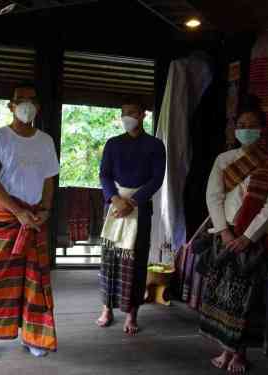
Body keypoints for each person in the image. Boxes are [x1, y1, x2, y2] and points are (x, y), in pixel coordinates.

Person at [200, 95, 268, 374]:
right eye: (241, 124)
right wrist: (225, 232)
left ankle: (239, 354)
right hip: (224, 237)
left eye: (251, 124)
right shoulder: (223, 159)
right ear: (234, 129)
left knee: (248, 300)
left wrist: (248, 237)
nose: (246, 128)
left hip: (253, 240)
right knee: (222, 296)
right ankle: (225, 349)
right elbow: (213, 196)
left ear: (262, 129)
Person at [0, 82, 59, 362]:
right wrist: (16, 212)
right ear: (10, 106)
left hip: (35, 217)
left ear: (38, 106)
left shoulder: (45, 141)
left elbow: (49, 179)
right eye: (20, 100)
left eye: (32, 100)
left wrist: (45, 209)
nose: (26, 104)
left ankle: (33, 336)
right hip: (4, 217)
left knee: (34, 280)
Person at [97, 99, 166, 335]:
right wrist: (115, 199)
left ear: (143, 114)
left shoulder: (155, 146)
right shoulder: (113, 144)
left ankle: (131, 313)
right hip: (115, 207)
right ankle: (107, 308)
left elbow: (157, 179)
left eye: (133, 112)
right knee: (110, 259)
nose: (128, 116)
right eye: (124, 112)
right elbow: (104, 174)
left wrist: (134, 202)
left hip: (141, 209)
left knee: (135, 263)